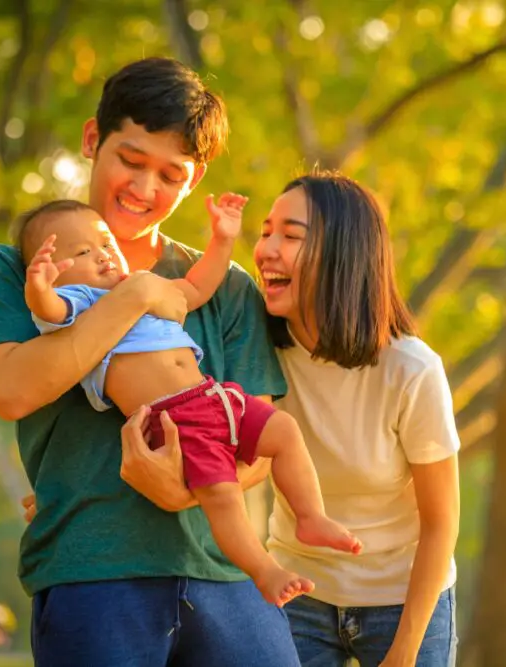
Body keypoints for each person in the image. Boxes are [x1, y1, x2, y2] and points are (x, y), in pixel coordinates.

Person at [0, 57, 303, 666]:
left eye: (170, 175)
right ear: (94, 139)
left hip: (225, 571)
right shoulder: (21, 267)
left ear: (194, 181)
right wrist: (132, 297)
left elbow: (258, 433)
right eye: (131, 159)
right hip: (91, 570)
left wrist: (184, 491)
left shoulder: (224, 286)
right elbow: (12, 391)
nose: (145, 189)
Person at [119, 171, 462, 667]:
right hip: (298, 590)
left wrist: (405, 651)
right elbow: (171, 400)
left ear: (344, 253)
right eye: (265, 232)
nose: (266, 250)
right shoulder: (257, 350)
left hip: (403, 599)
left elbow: (441, 522)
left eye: (292, 236)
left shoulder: (411, 370)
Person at [17, 198, 360, 606]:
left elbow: (198, 286)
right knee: (223, 495)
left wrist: (222, 239)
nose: (103, 256)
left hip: (214, 397)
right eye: (82, 252)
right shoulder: (82, 303)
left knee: (284, 430)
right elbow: (49, 309)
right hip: (175, 422)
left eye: (106, 244)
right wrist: (38, 285)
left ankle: (310, 516)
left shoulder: (142, 285)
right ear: (60, 273)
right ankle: (263, 570)